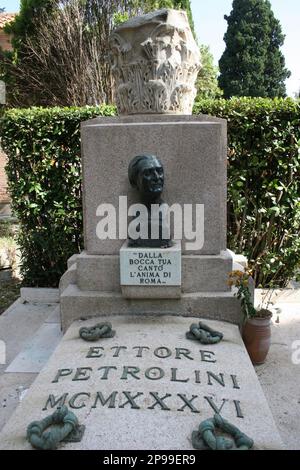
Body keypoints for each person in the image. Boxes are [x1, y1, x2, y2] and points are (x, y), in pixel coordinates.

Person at [128, 154, 172, 248]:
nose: (157, 178)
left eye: (159, 172)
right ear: (134, 182)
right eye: (148, 173)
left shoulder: (163, 216)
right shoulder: (137, 220)